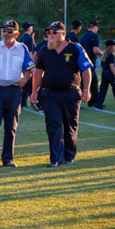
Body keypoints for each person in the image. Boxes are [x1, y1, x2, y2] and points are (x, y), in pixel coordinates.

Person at [31, 21, 93, 167]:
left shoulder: (76, 48)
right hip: (50, 94)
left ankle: (69, 155)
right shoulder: (44, 50)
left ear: (63, 34)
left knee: (70, 126)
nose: (50, 35)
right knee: (53, 126)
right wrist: (34, 91)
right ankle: (55, 158)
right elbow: (38, 72)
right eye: (49, 32)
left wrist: (86, 90)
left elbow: (86, 70)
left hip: (71, 94)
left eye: (54, 32)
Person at [0, 20, 34, 168]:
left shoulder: (22, 48)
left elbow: (30, 70)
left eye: (10, 31)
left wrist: (25, 79)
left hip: (14, 91)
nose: (6, 34)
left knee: (11, 126)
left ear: (17, 33)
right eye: (4, 31)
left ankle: (8, 158)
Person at [79, 21, 103, 107]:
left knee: (94, 81)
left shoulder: (83, 36)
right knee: (86, 81)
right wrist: (105, 54)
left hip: (82, 60)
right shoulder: (94, 35)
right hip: (90, 61)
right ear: (94, 27)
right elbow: (95, 50)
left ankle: (93, 101)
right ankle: (76, 101)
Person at [18, 22, 35, 109]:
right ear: (29, 28)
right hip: (26, 63)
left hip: (20, 62)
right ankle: (24, 102)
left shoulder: (21, 38)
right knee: (28, 83)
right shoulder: (29, 38)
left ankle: (22, 101)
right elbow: (30, 53)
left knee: (24, 82)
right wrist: (31, 65)